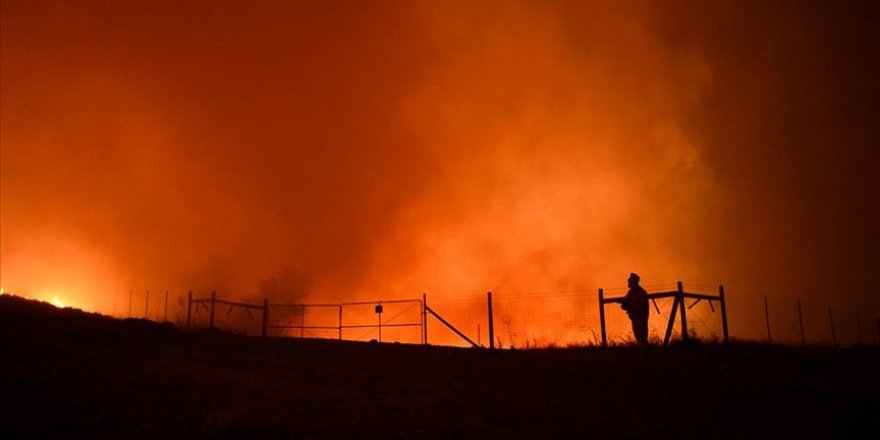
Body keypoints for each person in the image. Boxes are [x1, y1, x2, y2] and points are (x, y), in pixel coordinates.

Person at [621, 272, 649, 346]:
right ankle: (643, 352)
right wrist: (624, 303)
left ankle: (644, 353)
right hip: (635, 317)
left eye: (629, 279)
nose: (628, 280)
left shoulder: (640, 292)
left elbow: (640, 306)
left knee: (641, 335)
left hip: (640, 317)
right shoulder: (631, 291)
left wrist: (628, 306)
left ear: (633, 281)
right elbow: (625, 301)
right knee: (638, 335)